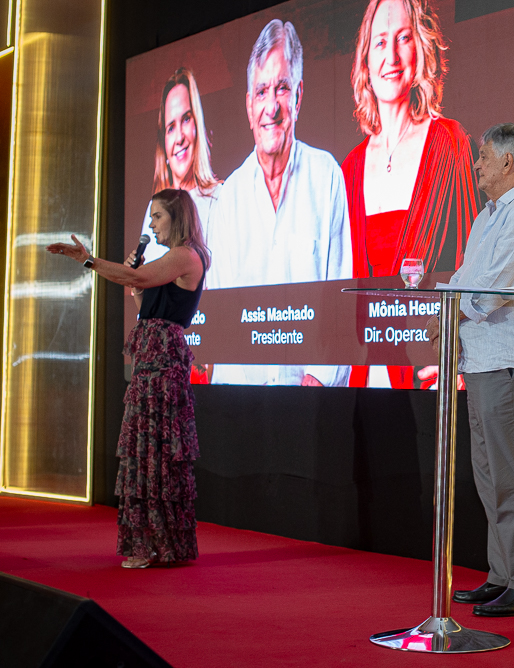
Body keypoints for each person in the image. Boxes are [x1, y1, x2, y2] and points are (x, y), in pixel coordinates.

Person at [427, 123, 514, 617]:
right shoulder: (488, 216)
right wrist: (443, 315)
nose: (476, 164)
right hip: (481, 357)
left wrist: (452, 310)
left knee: (509, 468)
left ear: (508, 162)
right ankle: (502, 574)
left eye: (483, 157)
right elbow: (464, 278)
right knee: (488, 473)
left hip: (509, 356)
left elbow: (496, 285)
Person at [47, 189, 210, 569]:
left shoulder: (185, 255)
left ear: (177, 217)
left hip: (162, 365)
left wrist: (90, 261)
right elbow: (146, 302)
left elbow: (138, 281)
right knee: (145, 451)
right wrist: (134, 285)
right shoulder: (168, 259)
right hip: (150, 360)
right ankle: (156, 543)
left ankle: (158, 544)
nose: (150, 224)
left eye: (157, 216)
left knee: (154, 453)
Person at [206, 19, 351, 387]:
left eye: (282, 88)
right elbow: (219, 313)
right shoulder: (230, 198)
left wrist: (318, 381)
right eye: (261, 91)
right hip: (241, 401)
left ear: (299, 96)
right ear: (248, 106)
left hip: (311, 402)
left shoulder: (327, 176)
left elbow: (340, 294)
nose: (271, 107)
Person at [344, 0, 481, 389]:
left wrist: (460, 353)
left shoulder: (449, 142)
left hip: (431, 367)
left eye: (403, 38)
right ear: (365, 59)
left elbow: (472, 263)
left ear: (420, 47)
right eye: (380, 42)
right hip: (368, 374)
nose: (391, 55)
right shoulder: (350, 168)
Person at [138, 67, 222, 266]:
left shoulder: (220, 199)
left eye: (186, 119)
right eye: (170, 128)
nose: (179, 138)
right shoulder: (154, 208)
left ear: (197, 125)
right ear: (163, 142)